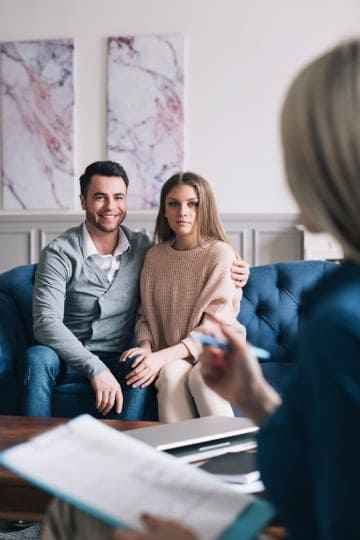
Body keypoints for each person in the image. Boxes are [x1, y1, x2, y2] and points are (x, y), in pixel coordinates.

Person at [42, 38, 360, 540]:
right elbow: (324, 464)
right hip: (188, 377)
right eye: (172, 203)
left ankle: (198, 496)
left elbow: (330, 509)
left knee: (73, 513)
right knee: (169, 383)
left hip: (201, 370)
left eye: (293, 153)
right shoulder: (149, 253)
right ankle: (181, 486)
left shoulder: (337, 318)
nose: (181, 212)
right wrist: (253, 395)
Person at [24, 161, 250, 419]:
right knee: (37, 357)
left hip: (129, 356)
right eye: (100, 197)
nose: (110, 206)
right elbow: (46, 322)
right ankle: (34, 446)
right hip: (66, 355)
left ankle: (130, 447)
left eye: (118, 197)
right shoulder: (61, 253)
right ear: (83, 201)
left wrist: (241, 267)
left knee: (155, 367)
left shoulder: (141, 247)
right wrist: (100, 365)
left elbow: (198, 260)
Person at [120, 172, 245, 422]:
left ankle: (234, 456)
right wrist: (146, 349)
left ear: (205, 207)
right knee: (170, 375)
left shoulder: (220, 254)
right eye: (173, 203)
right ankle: (182, 459)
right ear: (164, 211)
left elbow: (213, 331)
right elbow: (145, 315)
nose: (182, 212)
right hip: (177, 355)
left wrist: (158, 358)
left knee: (203, 377)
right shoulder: (155, 257)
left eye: (192, 203)